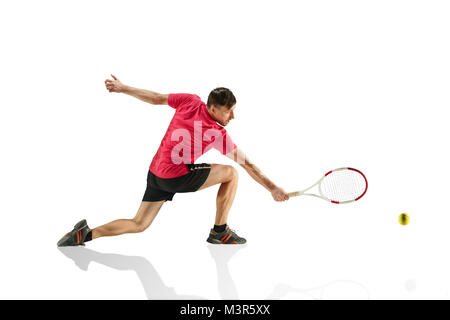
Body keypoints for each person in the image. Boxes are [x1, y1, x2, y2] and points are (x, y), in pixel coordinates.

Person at [57, 75, 289, 247]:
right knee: (232, 173)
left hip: (155, 173)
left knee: (139, 223)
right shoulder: (216, 134)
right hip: (177, 177)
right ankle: (220, 231)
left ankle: (85, 234)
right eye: (229, 111)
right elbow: (247, 164)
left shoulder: (189, 100)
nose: (233, 116)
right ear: (213, 108)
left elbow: (156, 99)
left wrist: (123, 88)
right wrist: (272, 188)